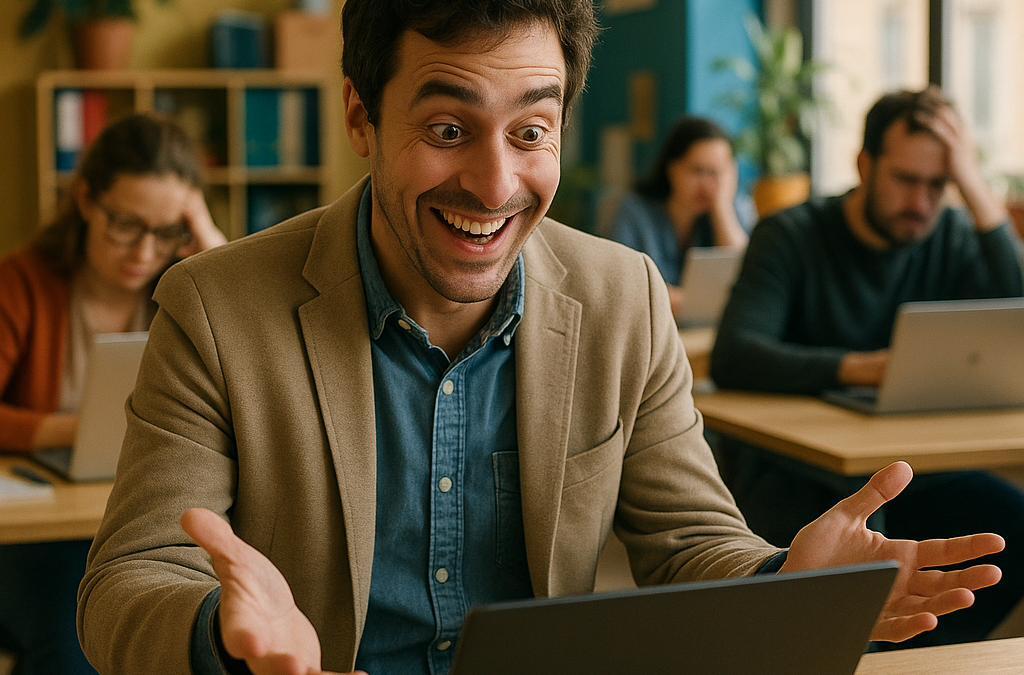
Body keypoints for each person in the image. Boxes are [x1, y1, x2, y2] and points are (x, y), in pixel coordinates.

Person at [78, 7, 1003, 675]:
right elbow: (125, 582)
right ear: (361, 116)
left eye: (532, 130)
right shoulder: (213, 304)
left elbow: (688, 539)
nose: (494, 184)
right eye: (447, 129)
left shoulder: (622, 295)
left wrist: (780, 580)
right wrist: (221, 633)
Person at [710, 86, 1024, 648]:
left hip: (910, 465)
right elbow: (737, 355)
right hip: (795, 468)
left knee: (1013, 523)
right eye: (907, 180)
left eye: (939, 185)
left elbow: (1016, 315)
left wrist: (975, 189)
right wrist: (861, 368)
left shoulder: (947, 236)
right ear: (864, 164)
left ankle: (919, 654)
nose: (922, 202)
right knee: (861, 546)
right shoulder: (791, 235)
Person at [0, 112, 226, 675]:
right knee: (74, 638)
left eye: (167, 230)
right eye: (125, 224)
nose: (143, 250)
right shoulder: (22, 284)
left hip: (149, 518)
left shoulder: (187, 293)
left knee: (200, 628)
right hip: (38, 537)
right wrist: (73, 431)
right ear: (85, 201)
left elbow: (256, 380)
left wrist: (211, 251)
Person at [608, 115, 754, 317]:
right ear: (673, 169)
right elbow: (624, 287)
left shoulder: (734, 208)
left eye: (717, 173)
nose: (708, 185)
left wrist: (722, 209)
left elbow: (746, 279)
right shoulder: (635, 212)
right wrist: (701, 303)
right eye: (699, 171)